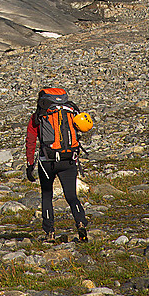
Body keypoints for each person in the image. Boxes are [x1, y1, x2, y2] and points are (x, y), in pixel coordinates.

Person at [25, 87, 88, 242]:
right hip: (69, 159)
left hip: (48, 162)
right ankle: (81, 225)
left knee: (47, 196)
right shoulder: (70, 112)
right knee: (72, 196)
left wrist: (30, 165)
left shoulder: (38, 117)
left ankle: (50, 233)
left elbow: (30, 142)